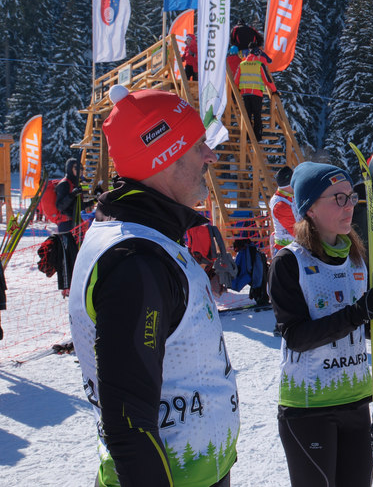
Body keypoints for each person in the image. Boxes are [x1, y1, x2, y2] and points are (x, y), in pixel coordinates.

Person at [68, 85, 239, 487]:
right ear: (165, 157)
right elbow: (128, 422)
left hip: (200, 473)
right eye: (198, 146)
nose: (211, 156)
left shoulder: (147, 237)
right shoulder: (137, 260)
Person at [268, 161, 373, 487]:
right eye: (338, 198)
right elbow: (296, 337)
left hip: (356, 402)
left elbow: (359, 326)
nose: (350, 205)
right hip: (308, 407)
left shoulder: (357, 259)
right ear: (309, 208)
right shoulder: (289, 262)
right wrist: (358, 312)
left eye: (351, 197)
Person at [233, 41, 277, 139]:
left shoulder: (242, 64)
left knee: (247, 114)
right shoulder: (259, 64)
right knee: (257, 114)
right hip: (256, 93)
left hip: (245, 93)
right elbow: (267, 80)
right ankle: (257, 136)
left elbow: (236, 80)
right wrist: (274, 90)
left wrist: (238, 89)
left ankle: (247, 135)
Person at [54, 157, 93, 233]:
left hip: (76, 222)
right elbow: (60, 206)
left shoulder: (76, 184)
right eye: (77, 168)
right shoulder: (64, 184)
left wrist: (95, 200)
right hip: (66, 223)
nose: (80, 170)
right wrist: (72, 195)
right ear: (69, 169)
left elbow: (80, 206)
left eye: (81, 168)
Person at [270, 166, 297, 257]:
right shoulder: (280, 205)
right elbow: (296, 230)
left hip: (293, 249)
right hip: (287, 252)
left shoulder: (289, 197)